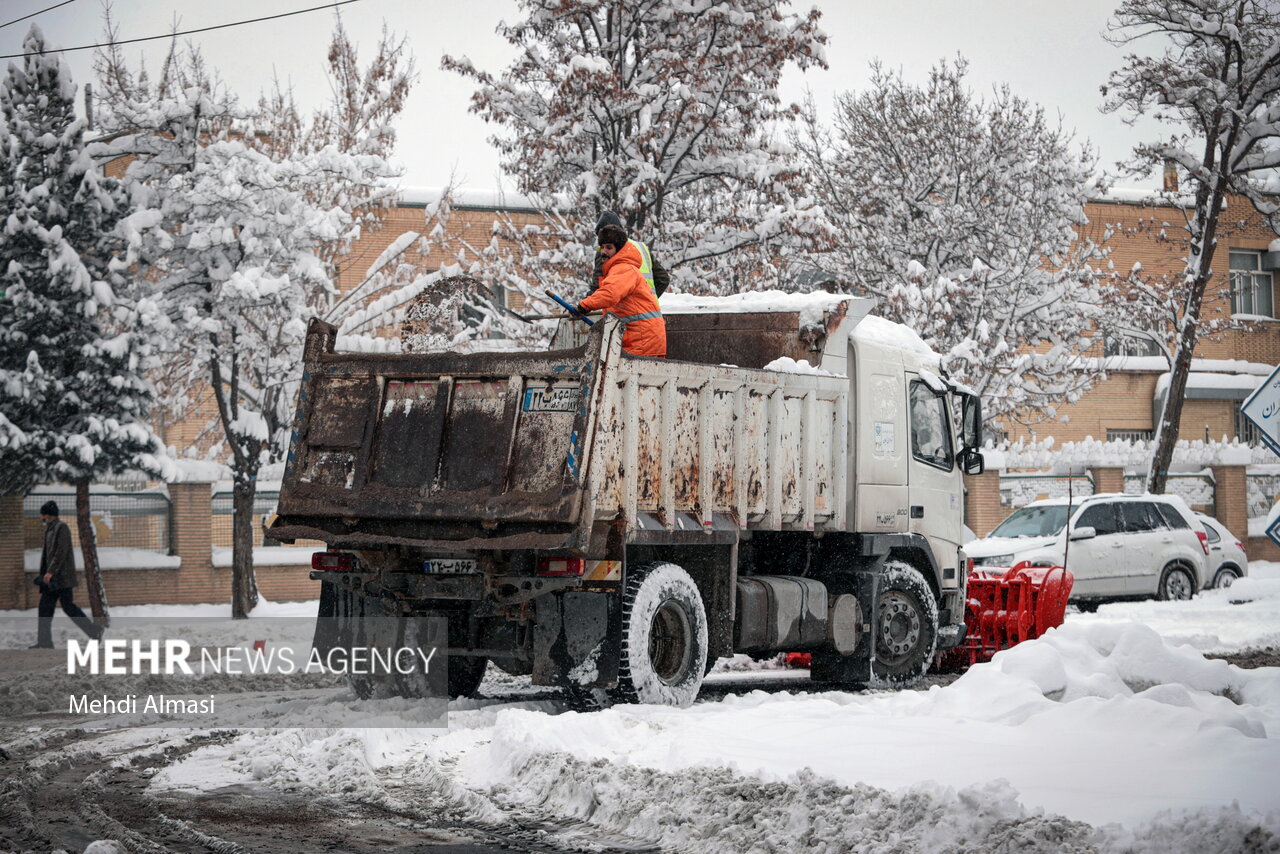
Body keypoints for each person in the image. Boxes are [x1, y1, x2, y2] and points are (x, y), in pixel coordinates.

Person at [578, 223, 667, 358]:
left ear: (619, 250)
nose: (603, 252)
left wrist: (584, 306)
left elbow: (609, 294)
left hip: (641, 341)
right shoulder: (619, 268)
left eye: (609, 247)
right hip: (640, 338)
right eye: (602, 247)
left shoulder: (623, 268)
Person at [31, 500, 101, 648]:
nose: (41, 518)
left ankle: (95, 632)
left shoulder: (61, 528)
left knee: (68, 606)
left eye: (42, 515)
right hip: (52, 579)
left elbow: (60, 552)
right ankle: (45, 642)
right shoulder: (50, 529)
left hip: (61, 578)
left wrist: (50, 571)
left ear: (49, 515)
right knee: (45, 608)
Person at [592, 210, 670, 298]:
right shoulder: (641, 247)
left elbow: (597, 287)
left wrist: (585, 306)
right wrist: (648, 300)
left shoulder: (605, 252)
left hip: (622, 310)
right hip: (648, 309)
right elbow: (663, 279)